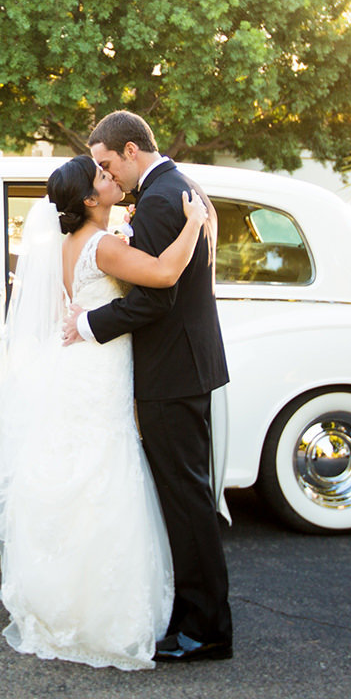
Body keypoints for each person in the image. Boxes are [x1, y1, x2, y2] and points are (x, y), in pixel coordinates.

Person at [0, 154, 209, 670]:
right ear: (87, 199)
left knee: (80, 472)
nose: (112, 178)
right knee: (105, 472)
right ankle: (103, 610)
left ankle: (64, 596)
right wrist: (194, 223)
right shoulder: (103, 247)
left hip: (79, 366)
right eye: (102, 177)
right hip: (100, 369)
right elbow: (166, 273)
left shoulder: (69, 244)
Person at [63, 110, 234, 663]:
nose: (105, 174)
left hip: (173, 369)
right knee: (186, 497)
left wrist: (89, 325)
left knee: (186, 499)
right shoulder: (173, 188)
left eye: (107, 163)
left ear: (131, 151)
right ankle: (193, 616)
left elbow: (157, 294)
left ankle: (205, 630)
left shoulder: (163, 198)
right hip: (180, 365)